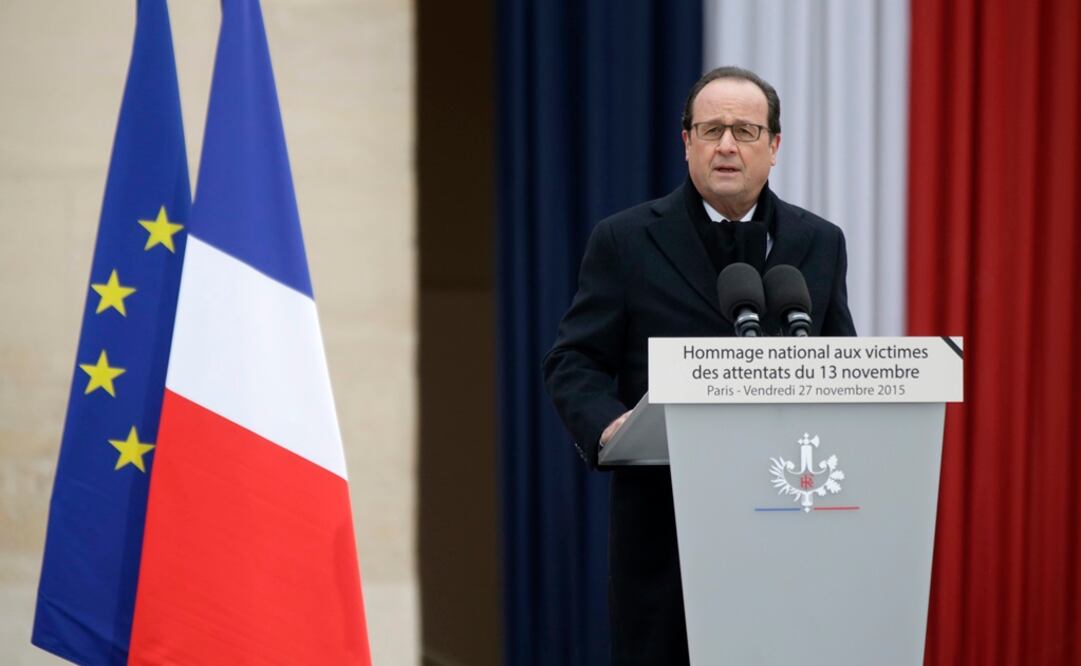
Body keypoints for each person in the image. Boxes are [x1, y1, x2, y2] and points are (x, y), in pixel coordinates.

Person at [542, 66, 857, 664]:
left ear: (775, 145)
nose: (727, 146)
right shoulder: (625, 240)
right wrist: (609, 426)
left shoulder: (820, 242)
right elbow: (574, 359)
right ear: (686, 142)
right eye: (712, 130)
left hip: (790, 520)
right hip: (666, 534)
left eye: (745, 130)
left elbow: (838, 362)